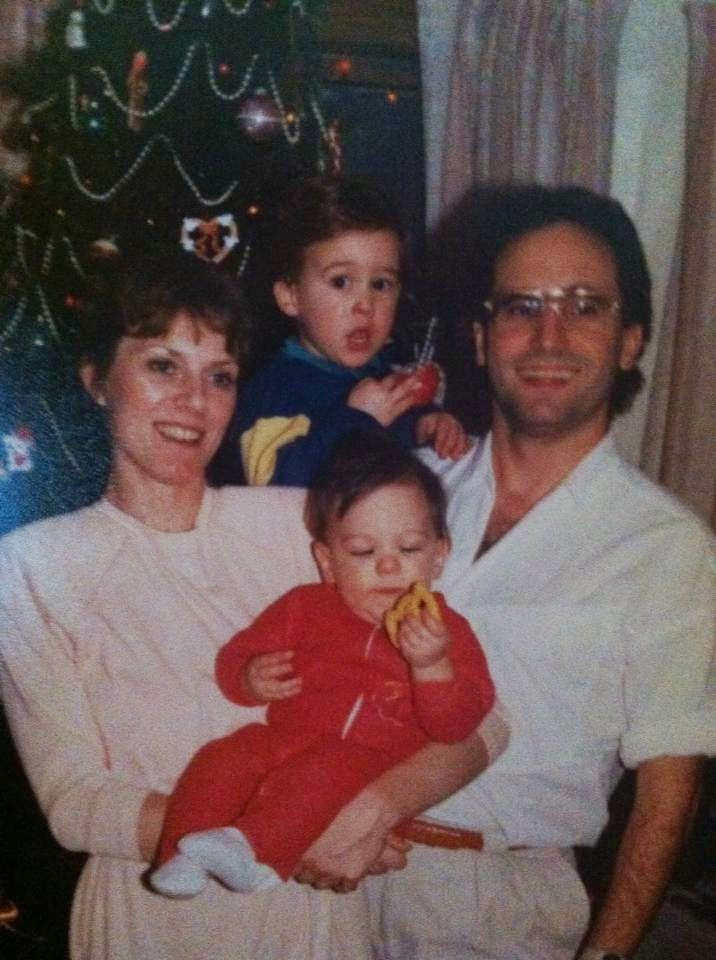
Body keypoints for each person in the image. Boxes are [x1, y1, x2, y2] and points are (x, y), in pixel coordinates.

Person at [0, 247, 507, 960]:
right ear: (97, 381)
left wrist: (377, 806)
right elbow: (75, 802)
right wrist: (280, 830)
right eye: (161, 365)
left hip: (313, 924)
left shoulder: (305, 525)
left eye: (220, 376)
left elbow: (488, 720)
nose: (193, 401)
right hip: (149, 926)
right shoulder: (32, 567)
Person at [358, 185, 715, 960]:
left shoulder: (664, 546)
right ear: (482, 337)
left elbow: (669, 787)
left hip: (497, 910)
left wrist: (608, 953)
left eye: (585, 306)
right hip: (335, 876)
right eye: (522, 306)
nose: (549, 334)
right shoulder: (403, 493)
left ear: (630, 341)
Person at [150, 433, 496, 898]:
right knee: (225, 756)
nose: (389, 567)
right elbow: (235, 658)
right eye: (363, 552)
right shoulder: (304, 607)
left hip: (370, 769)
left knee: (324, 771)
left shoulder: (448, 632)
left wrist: (432, 666)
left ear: (439, 554)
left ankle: (255, 854)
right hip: (285, 738)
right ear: (327, 561)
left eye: (409, 549)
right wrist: (249, 676)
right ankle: (179, 855)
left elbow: (457, 726)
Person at [211, 174, 469, 487]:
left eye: (381, 284)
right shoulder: (276, 391)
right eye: (341, 281)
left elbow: (395, 426)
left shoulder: (379, 371)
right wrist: (359, 420)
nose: (365, 305)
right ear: (290, 297)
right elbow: (278, 482)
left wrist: (425, 425)